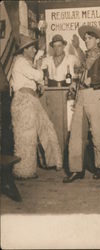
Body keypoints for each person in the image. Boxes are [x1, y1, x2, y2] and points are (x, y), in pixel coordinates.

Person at [63, 25, 100, 183]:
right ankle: (76, 169)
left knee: (99, 133)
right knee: (76, 135)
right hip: (81, 96)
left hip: (96, 96)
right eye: (85, 39)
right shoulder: (85, 58)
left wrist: (93, 80)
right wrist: (75, 83)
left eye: (89, 38)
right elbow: (81, 77)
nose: (86, 41)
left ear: (97, 40)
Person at [10, 34, 62, 180]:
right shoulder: (20, 61)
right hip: (23, 102)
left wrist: (39, 83)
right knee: (26, 137)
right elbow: (37, 75)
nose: (34, 51)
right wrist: (39, 71)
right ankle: (23, 171)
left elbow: (35, 80)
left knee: (46, 128)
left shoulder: (26, 63)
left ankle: (53, 161)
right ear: (25, 50)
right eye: (32, 48)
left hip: (31, 100)